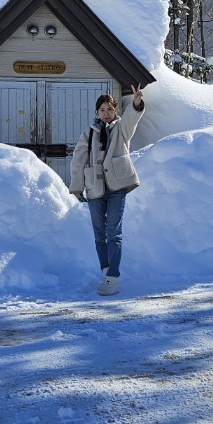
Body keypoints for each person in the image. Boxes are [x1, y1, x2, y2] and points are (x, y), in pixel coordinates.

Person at [70, 85, 145, 295]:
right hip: (95, 188)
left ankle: (113, 278)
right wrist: (77, 186)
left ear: (115, 111)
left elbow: (132, 119)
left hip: (117, 187)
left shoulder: (121, 129)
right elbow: (78, 160)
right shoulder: (88, 133)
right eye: (102, 110)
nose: (106, 114)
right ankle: (107, 271)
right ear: (97, 112)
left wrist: (137, 102)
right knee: (99, 235)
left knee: (114, 233)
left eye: (109, 110)